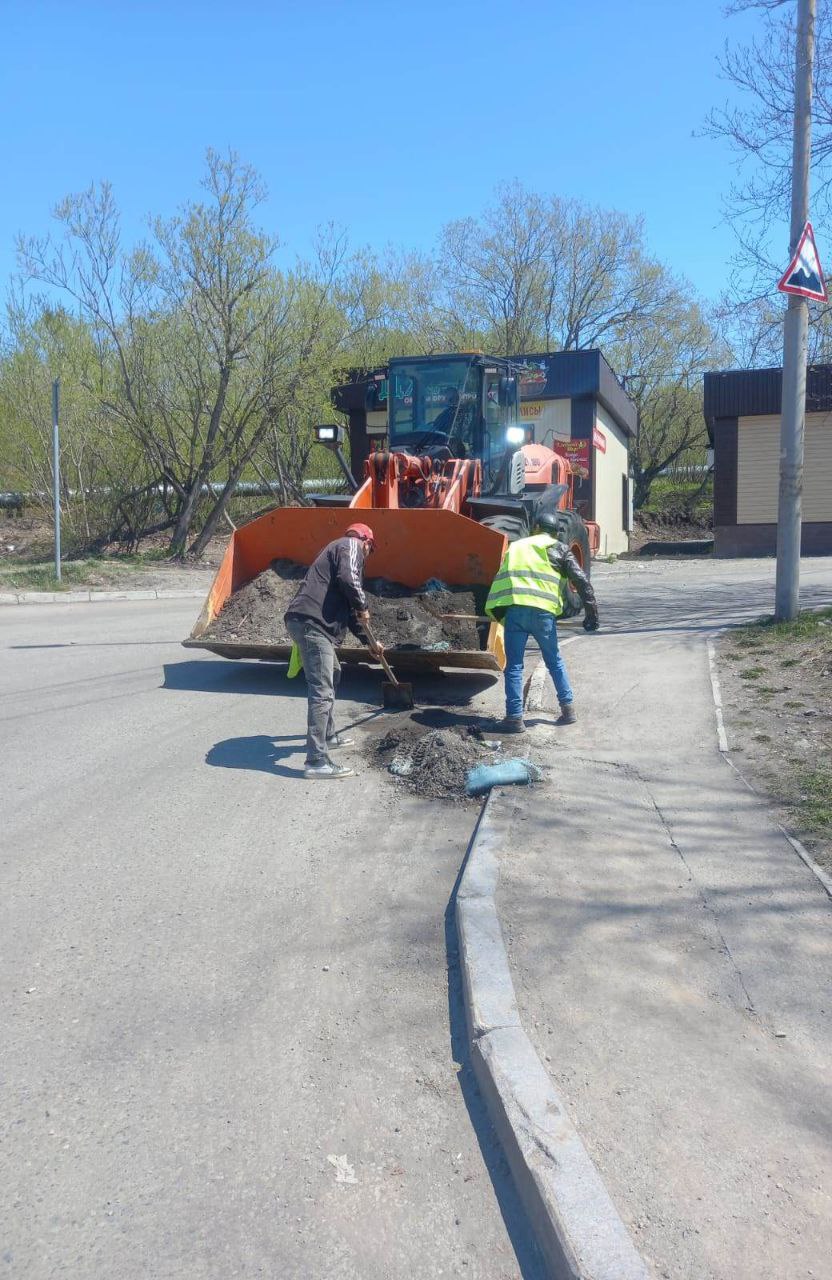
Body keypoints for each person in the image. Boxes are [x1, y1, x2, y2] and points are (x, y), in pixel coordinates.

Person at [284, 523, 383, 779]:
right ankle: (316, 761)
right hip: (312, 625)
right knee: (322, 691)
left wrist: (370, 643)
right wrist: (363, 604)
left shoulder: (338, 555)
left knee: (334, 673)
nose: (367, 557)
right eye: (370, 551)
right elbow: (350, 582)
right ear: (366, 541)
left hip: (308, 623)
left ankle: (328, 734)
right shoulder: (349, 546)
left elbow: (351, 615)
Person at [485, 513, 599, 733]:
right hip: (543, 615)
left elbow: (503, 575)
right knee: (554, 661)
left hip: (516, 611)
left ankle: (514, 718)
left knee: (515, 665)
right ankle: (568, 710)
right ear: (556, 532)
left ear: (535, 528)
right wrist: (591, 616)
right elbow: (582, 581)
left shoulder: (517, 546)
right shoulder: (560, 549)